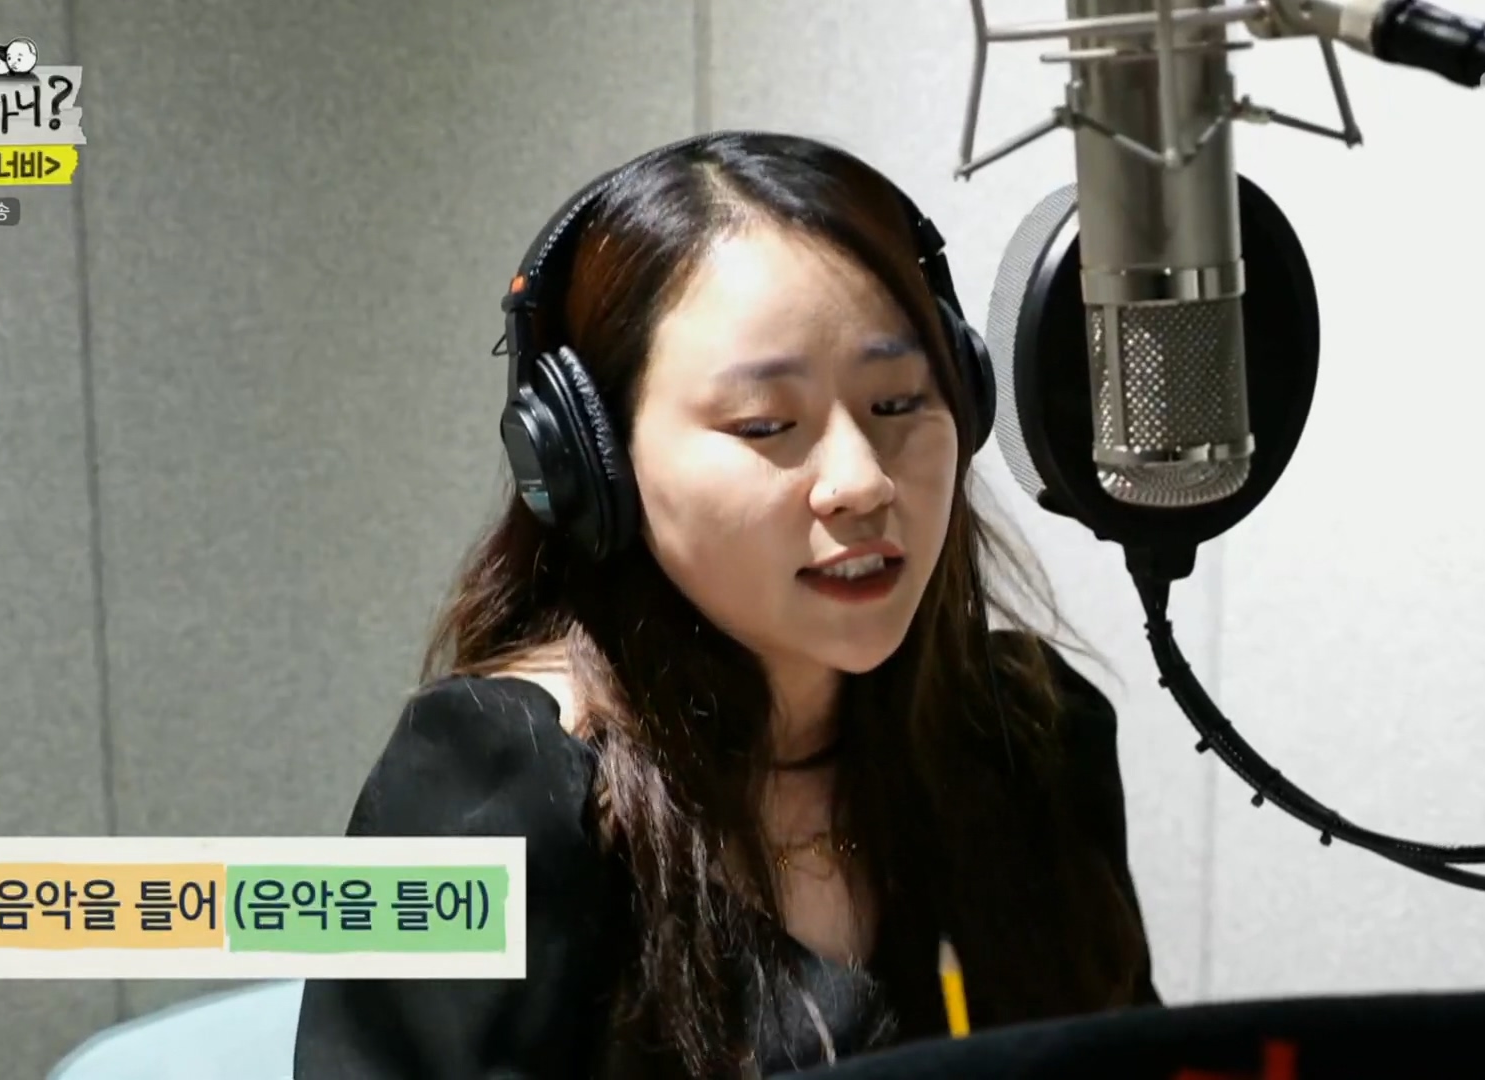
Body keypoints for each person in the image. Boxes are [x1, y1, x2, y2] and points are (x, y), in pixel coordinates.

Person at [292, 130, 1160, 1080]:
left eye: (898, 404)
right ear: (591, 461)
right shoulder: (479, 786)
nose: (861, 483)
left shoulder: (1029, 731)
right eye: (766, 425)